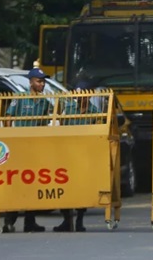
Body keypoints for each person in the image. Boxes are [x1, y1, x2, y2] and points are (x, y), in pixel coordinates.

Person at [2, 67, 53, 233]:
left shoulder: (45, 102)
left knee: (33, 185)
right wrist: (11, 138)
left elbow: (45, 124)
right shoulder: (20, 98)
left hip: (35, 148)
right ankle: (9, 222)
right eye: (39, 81)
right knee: (17, 185)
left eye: (43, 81)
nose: (42, 84)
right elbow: (8, 117)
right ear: (30, 82)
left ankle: (30, 222)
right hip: (20, 146)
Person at [53, 80, 102, 232]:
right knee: (66, 188)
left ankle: (80, 220)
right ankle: (67, 220)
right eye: (79, 93)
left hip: (84, 154)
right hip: (68, 153)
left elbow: (97, 131)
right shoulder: (68, 109)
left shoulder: (94, 111)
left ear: (89, 95)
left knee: (82, 189)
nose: (82, 97)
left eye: (85, 93)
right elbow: (59, 127)